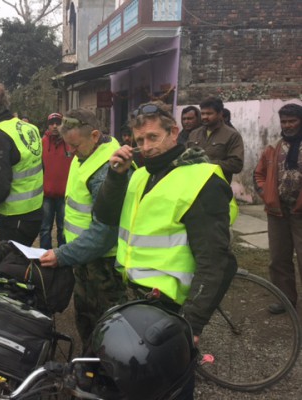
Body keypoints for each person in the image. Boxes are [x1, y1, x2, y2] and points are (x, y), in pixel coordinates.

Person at [94, 101, 238, 399]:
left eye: (153, 137)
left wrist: (193, 324)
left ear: (174, 132)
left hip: (172, 309)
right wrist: (116, 176)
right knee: (139, 385)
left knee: (171, 388)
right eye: (140, 140)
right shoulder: (140, 175)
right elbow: (106, 216)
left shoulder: (201, 180)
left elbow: (216, 261)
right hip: (136, 298)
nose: (146, 148)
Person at [39, 108, 127, 351]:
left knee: (108, 325)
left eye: (74, 145)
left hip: (103, 265)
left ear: (95, 135)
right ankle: (89, 359)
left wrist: (62, 255)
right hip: (84, 257)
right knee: (85, 317)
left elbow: (104, 234)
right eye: (67, 145)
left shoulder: (106, 171)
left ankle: (105, 366)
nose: (70, 151)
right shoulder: (85, 155)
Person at [0, 80, 43, 246]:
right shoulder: (29, 128)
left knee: (7, 262)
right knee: (22, 260)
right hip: (35, 212)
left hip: (14, 219)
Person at [254, 103, 302, 314]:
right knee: (278, 259)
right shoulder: (273, 148)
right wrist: (267, 194)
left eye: (292, 121)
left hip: (300, 213)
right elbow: (258, 174)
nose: (288, 125)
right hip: (278, 212)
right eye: (284, 122)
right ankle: (286, 300)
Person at [186, 96, 244, 182]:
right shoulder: (194, 134)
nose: (205, 117)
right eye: (203, 114)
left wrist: (207, 163)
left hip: (217, 186)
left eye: (209, 114)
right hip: (194, 184)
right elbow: (185, 157)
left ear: (220, 114)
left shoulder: (232, 135)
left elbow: (236, 165)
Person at [39, 112, 72, 249]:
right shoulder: (42, 143)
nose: (54, 126)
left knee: (63, 228)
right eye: (51, 123)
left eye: (58, 123)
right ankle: (44, 255)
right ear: (48, 125)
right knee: (45, 228)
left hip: (64, 195)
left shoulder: (70, 143)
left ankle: (62, 256)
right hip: (47, 195)